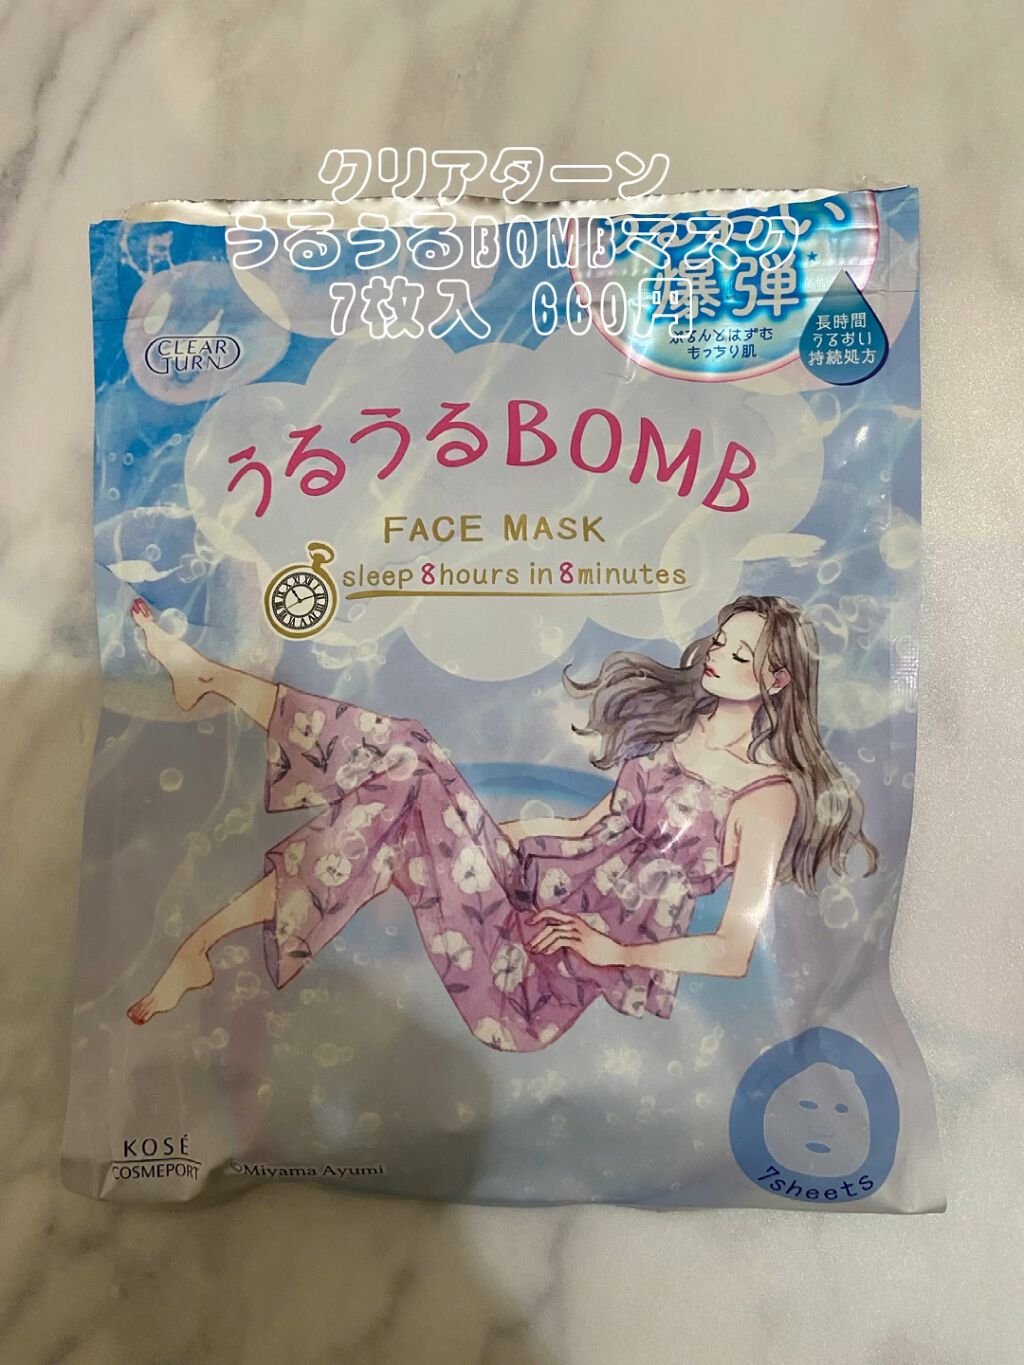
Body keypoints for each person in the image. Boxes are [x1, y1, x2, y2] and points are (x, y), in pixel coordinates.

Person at [126, 593, 876, 1053]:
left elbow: (735, 949)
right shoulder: (683, 733)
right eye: (720, 640)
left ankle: (211, 684)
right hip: (518, 888)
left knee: (406, 770)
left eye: (741, 654)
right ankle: (201, 938)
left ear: (777, 679)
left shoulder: (767, 795)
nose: (717, 656)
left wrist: (615, 950)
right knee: (400, 789)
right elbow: (591, 830)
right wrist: (472, 829)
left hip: (533, 978)